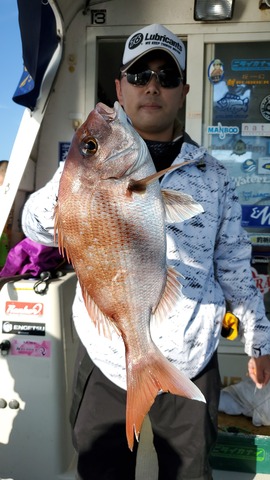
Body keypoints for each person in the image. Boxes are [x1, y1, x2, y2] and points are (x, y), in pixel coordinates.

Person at [22, 23, 270, 480]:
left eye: (166, 76)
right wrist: (67, 192)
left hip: (191, 358)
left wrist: (259, 341)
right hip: (109, 357)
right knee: (102, 471)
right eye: (138, 76)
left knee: (189, 474)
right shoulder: (82, 166)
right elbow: (33, 228)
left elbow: (236, 266)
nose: (152, 85)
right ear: (119, 89)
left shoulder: (214, 177)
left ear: (183, 92)